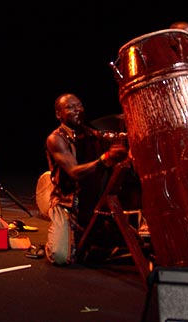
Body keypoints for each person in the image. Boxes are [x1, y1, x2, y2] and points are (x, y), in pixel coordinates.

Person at [44, 93, 129, 265]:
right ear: (58, 115)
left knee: (132, 244)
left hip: (90, 204)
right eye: (70, 107)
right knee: (61, 257)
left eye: (79, 105)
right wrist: (106, 158)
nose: (78, 110)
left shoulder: (91, 134)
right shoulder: (56, 139)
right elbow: (74, 172)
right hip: (67, 204)